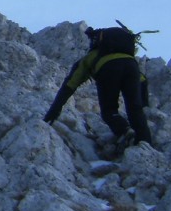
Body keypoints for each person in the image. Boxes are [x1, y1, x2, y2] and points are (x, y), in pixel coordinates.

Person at [44, 26, 153, 157]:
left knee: (109, 110)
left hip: (107, 69)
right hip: (132, 68)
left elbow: (70, 84)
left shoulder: (92, 56)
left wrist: (53, 112)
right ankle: (146, 145)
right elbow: (143, 81)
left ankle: (125, 131)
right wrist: (145, 105)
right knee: (135, 110)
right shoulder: (127, 56)